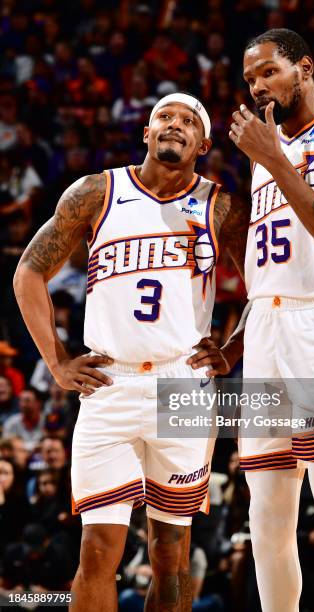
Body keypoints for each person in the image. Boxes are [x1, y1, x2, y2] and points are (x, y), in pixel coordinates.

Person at [13, 92, 249, 612]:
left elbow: (270, 288)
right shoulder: (97, 192)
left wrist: (232, 351)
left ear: (203, 144)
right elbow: (28, 271)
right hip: (110, 382)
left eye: (189, 121)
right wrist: (56, 361)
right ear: (146, 131)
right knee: (98, 553)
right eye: (164, 116)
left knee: (172, 557)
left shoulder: (222, 206)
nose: (174, 124)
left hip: (182, 386)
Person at [190, 28, 314, 612]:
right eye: (249, 80)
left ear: (304, 67)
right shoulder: (267, 151)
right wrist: (235, 348)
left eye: (268, 72)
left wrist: (273, 158)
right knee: (266, 516)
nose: (258, 88)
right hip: (270, 331)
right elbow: (271, 280)